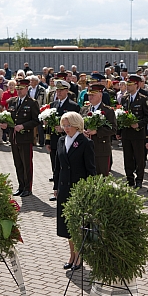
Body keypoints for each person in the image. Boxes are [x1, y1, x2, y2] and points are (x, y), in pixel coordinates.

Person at [53, 111, 96, 271]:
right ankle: (72, 254)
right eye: (64, 125)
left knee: (78, 224)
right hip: (64, 187)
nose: (66, 128)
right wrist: (56, 186)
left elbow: (91, 169)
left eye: (68, 125)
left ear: (77, 125)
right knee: (67, 225)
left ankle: (79, 256)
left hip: (79, 188)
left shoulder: (85, 142)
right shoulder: (61, 140)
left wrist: (90, 190)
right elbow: (58, 166)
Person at [4, 79, 40, 197]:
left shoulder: (32, 103)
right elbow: (10, 118)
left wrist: (23, 126)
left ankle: (27, 188)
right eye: (17, 89)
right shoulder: (12, 101)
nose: (19, 91)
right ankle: (20, 186)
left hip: (25, 138)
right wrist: (5, 124)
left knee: (26, 164)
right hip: (14, 138)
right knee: (18, 163)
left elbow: (36, 120)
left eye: (21, 89)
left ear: (27, 89)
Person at [45, 80, 81, 198]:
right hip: (55, 142)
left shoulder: (73, 106)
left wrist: (63, 129)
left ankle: (68, 191)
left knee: (68, 167)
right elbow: (49, 126)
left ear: (67, 91)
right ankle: (57, 190)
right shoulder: (53, 105)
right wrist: (48, 141)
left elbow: (77, 126)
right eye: (57, 90)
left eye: (61, 90)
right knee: (56, 167)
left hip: (68, 141)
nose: (58, 93)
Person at [116, 75, 148, 188]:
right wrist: (119, 131)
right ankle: (129, 179)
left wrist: (138, 124)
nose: (128, 87)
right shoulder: (124, 98)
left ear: (136, 85)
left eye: (130, 84)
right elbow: (121, 115)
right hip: (126, 134)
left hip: (138, 133)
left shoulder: (143, 99)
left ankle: (139, 179)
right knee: (128, 158)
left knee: (139, 158)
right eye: (127, 84)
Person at [80, 84, 117, 176]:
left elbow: (113, 129)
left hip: (101, 149)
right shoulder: (84, 109)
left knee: (101, 175)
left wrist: (97, 131)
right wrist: (82, 131)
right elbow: (79, 125)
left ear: (100, 95)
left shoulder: (108, 111)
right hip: (86, 148)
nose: (90, 97)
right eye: (89, 95)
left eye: (93, 95)